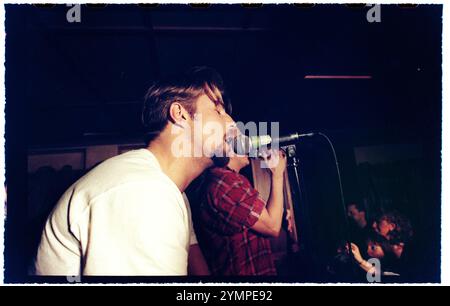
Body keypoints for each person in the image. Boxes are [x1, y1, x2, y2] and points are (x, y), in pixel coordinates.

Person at [34, 67, 234, 276]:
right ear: (180, 114)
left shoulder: (173, 192)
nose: (231, 123)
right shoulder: (142, 191)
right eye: (218, 111)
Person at [196, 148, 287, 276]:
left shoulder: (227, 180)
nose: (246, 146)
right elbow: (272, 227)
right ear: (226, 150)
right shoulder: (226, 183)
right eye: (238, 142)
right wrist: (277, 175)